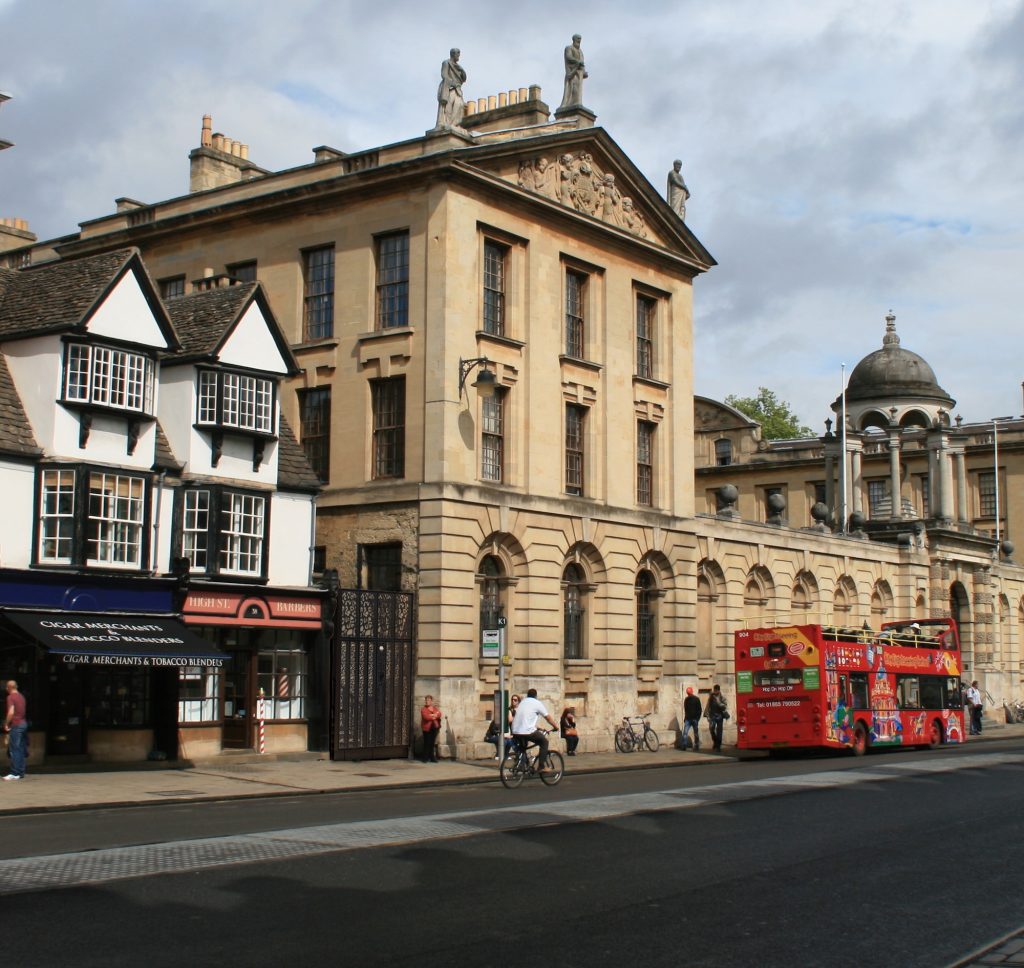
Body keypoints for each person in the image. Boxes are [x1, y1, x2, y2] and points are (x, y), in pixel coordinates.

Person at [511, 687, 558, 773]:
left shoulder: (522, 702)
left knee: (523, 748)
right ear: (536, 696)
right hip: (527, 731)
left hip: (515, 731)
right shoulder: (537, 703)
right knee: (544, 742)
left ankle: (522, 766)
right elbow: (548, 718)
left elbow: (526, 719)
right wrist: (556, 727)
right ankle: (541, 766)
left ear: (527, 695)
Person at [435, 48, 467, 129]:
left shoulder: (458, 67)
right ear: (453, 54)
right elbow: (444, 75)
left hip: (457, 90)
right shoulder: (446, 63)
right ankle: (448, 124)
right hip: (450, 88)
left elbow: (463, 79)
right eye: (457, 55)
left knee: (459, 105)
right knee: (448, 108)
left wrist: (462, 70)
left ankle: (454, 124)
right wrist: (454, 84)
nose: (458, 57)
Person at [3, 679, 27, 781]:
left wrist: (6, 723)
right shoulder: (21, 696)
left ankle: (14, 773)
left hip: (16, 724)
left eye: (6, 687)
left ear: (9, 687)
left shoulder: (10, 697)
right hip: (23, 724)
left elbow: (11, 712)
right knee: (21, 749)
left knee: (14, 749)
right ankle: (20, 772)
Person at [558, 34, 588, 109]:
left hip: (579, 74)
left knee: (578, 89)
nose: (579, 40)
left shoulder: (580, 51)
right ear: (574, 39)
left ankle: (577, 102)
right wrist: (577, 62)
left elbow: (582, 62)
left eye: (580, 39)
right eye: (578, 38)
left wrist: (584, 72)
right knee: (571, 88)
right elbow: (569, 57)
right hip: (571, 72)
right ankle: (568, 104)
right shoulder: (569, 48)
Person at [705, 683, 728, 752]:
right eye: (714, 690)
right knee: (711, 729)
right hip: (712, 716)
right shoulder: (711, 697)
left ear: (718, 690)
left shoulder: (722, 697)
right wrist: (707, 716)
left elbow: (724, 706)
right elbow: (708, 706)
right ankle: (715, 741)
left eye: (716, 691)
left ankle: (718, 745)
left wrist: (718, 702)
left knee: (719, 731)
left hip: (720, 716)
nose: (715, 692)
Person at [420, 694, 442, 762]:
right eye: (426, 700)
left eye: (429, 700)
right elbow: (426, 717)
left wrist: (433, 715)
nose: (427, 701)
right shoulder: (423, 709)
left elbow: (439, 714)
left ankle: (432, 758)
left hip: (434, 727)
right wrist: (434, 715)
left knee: (432, 743)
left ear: (431, 701)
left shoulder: (434, 708)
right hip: (427, 728)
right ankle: (425, 758)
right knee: (427, 743)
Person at [681, 686, 702, 751]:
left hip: (693, 718)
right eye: (688, 692)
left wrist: (697, 718)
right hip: (689, 718)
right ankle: (685, 745)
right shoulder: (687, 699)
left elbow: (699, 709)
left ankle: (696, 744)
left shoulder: (695, 699)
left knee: (693, 732)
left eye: (689, 692)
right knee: (687, 732)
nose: (688, 693)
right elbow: (686, 709)